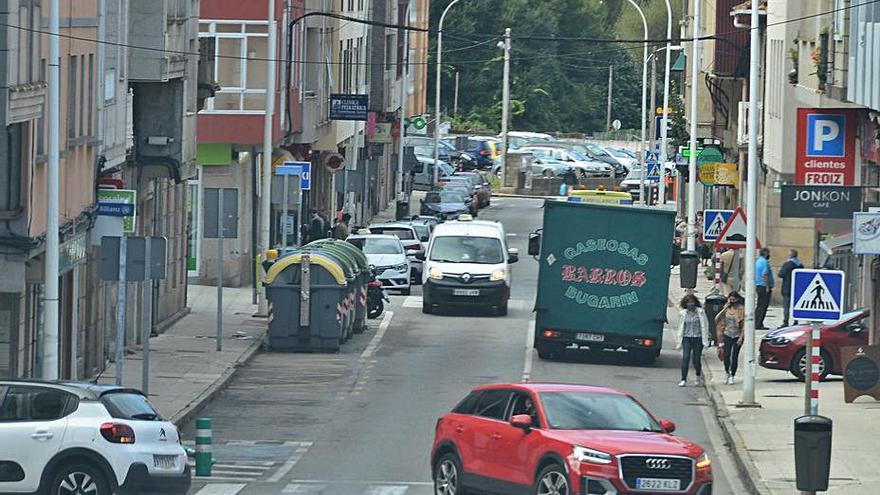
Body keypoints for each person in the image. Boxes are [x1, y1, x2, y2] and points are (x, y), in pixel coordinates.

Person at [675, 294, 710, 387]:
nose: (690, 304)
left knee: (696, 360)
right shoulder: (683, 313)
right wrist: (679, 341)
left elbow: (705, 326)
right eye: (688, 302)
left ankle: (698, 376)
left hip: (698, 338)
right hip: (687, 338)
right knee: (685, 357)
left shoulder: (701, 312)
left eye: (692, 302)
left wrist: (706, 340)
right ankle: (683, 379)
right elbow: (680, 327)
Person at [715, 292, 745, 384]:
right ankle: (727, 372)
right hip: (727, 333)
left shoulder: (741, 309)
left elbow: (744, 325)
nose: (732, 301)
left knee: (734, 356)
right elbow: (717, 319)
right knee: (726, 355)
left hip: (737, 335)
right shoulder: (727, 308)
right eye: (730, 299)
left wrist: (741, 337)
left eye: (734, 299)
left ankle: (732, 374)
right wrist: (724, 309)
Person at [777, 249, 803, 327]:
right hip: (797, 288)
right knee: (795, 306)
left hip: (787, 288)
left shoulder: (787, 264)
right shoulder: (800, 265)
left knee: (786, 307)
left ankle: (786, 322)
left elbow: (780, 274)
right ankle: (796, 321)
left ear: (790, 255)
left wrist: (780, 270)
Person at [755, 247, 774, 330]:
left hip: (758, 285)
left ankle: (757, 322)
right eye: (768, 253)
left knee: (759, 305)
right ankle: (759, 323)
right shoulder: (765, 262)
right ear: (766, 253)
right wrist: (767, 286)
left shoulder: (758, 261)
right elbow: (765, 274)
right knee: (763, 306)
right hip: (763, 286)